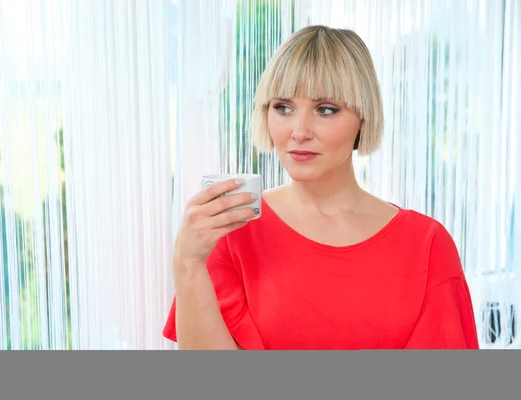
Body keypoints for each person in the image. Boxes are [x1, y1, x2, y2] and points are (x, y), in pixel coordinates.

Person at [163, 25, 480, 350]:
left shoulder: (426, 245)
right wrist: (187, 262)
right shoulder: (232, 230)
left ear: (364, 118)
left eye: (326, 109)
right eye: (283, 108)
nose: (298, 131)